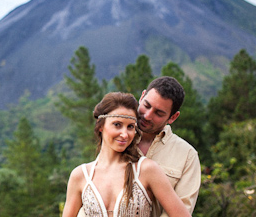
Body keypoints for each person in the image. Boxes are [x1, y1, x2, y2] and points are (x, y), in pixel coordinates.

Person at [63, 92, 191, 217]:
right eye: (117, 125)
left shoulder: (146, 170)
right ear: (101, 126)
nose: (125, 134)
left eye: (130, 127)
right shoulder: (80, 175)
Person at [136, 77, 201, 216]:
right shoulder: (117, 139)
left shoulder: (187, 156)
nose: (147, 116)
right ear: (142, 97)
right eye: (146, 106)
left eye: (158, 113)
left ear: (173, 117)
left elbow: (181, 211)